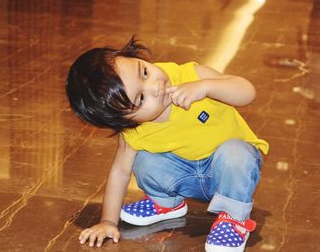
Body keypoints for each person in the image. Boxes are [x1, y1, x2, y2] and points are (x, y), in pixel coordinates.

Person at [65, 36, 269, 251]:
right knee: (143, 159)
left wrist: (207, 87)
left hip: (230, 174)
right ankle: (165, 203)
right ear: (126, 121)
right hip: (186, 177)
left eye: (144, 72)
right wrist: (108, 221)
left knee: (236, 152)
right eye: (141, 98)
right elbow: (120, 171)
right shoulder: (136, 130)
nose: (155, 86)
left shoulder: (190, 74)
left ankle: (233, 218)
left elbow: (248, 92)